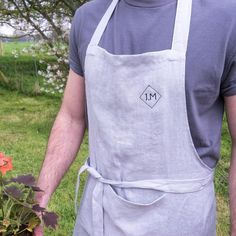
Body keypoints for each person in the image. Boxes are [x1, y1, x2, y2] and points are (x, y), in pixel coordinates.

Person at [34, 0, 236, 235]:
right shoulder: (88, 19)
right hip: (99, 219)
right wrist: (38, 200)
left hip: (183, 220)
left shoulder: (225, 18)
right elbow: (71, 117)